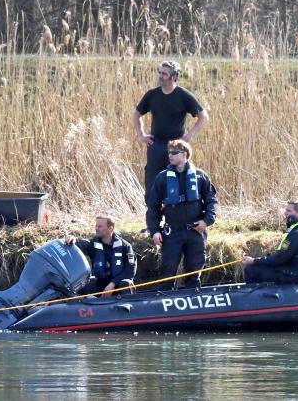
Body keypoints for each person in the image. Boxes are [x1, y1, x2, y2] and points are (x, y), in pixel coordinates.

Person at [145, 139, 217, 290]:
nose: (170, 156)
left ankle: (193, 297)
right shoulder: (162, 178)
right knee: (168, 269)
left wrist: (207, 221)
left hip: (195, 230)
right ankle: (165, 300)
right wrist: (155, 231)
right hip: (172, 232)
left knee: (194, 269)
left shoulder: (200, 176)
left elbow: (212, 201)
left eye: (174, 153)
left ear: (184, 154)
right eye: (169, 152)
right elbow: (153, 207)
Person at [131, 60, 210, 185]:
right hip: (155, 145)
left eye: (164, 74)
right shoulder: (152, 95)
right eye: (160, 72)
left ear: (174, 77)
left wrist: (189, 136)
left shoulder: (183, 96)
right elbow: (136, 114)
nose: (160, 76)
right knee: (153, 185)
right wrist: (141, 135)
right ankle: (152, 205)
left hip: (176, 147)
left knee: (176, 184)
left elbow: (204, 116)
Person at [242, 201, 298, 283]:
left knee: (250, 269)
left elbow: (279, 258)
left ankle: (256, 294)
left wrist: (253, 261)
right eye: (286, 210)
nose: (285, 213)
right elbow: (283, 254)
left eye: (289, 211)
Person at [63, 214, 137, 296]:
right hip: (101, 284)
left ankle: (126, 306)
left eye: (100, 226)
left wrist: (113, 283)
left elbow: (131, 271)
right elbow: (80, 244)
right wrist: (72, 239)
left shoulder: (125, 246)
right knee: (82, 286)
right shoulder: (93, 244)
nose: (96, 228)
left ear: (110, 228)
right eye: (96, 226)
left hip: (118, 284)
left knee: (126, 283)